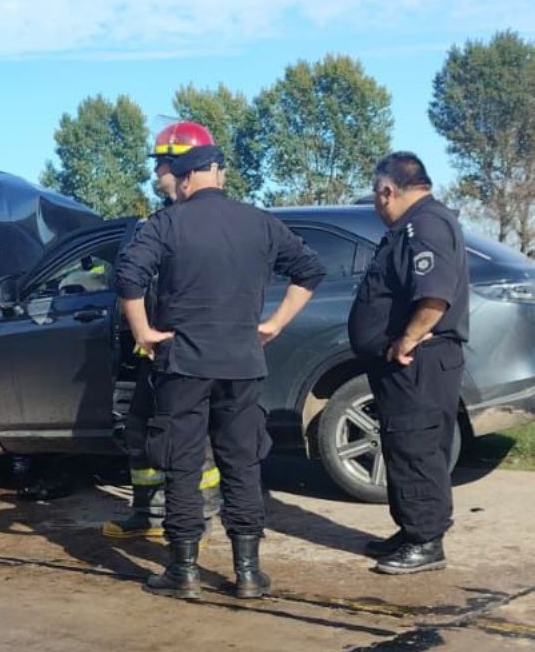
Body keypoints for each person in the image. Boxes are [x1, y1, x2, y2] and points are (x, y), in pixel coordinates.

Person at [116, 144, 325, 600]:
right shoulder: (259, 222)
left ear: (185, 179)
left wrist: (144, 331)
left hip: (184, 364)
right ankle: (248, 572)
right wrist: (273, 325)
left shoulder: (167, 223)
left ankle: (183, 571)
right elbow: (310, 269)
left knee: (183, 465)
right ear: (219, 176)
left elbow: (128, 276)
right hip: (242, 364)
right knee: (241, 464)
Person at [348, 152, 468, 575]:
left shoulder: (425, 225)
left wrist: (408, 338)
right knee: (404, 444)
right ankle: (411, 529)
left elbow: (436, 294)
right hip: (409, 364)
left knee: (416, 446)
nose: (378, 207)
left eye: (378, 198)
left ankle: (425, 541)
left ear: (387, 191)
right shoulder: (418, 223)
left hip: (418, 361)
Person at [103, 121, 222, 541]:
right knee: (142, 428)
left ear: (183, 165)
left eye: (162, 165)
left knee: (193, 435)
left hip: (191, 351)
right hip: (156, 350)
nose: (156, 175)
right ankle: (148, 510)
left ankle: (201, 515)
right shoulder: (163, 219)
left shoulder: (201, 222)